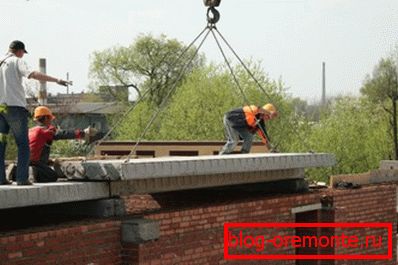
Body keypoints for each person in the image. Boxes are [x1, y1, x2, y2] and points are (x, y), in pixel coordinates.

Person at [0, 40, 70, 185]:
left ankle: (1, 179)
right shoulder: (16, 61)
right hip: (15, 108)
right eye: (23, 53)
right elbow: (33, 74)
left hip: (1, 109)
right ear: (20, 51)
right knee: (23, 145)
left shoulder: (1, 61)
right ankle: (22, 179)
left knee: (1, 144)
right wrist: (56, 80)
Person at [29, 106, 97, 183]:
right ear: (45, 118)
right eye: (50, 119)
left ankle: (17, 171)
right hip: (35, 163)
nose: (51, 121)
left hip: (26, 162)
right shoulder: (45, 130)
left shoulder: (30, 131)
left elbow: (34, 150)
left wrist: (47, 161)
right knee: (52, 176)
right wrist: (83, 133)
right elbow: (63, 134)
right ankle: (33, 170)